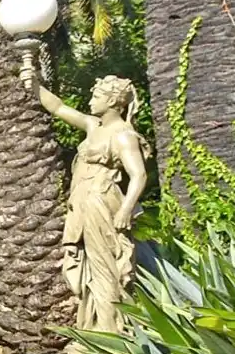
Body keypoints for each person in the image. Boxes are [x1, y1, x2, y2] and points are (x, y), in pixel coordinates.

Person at [29, 70, 150, 333]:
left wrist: (126, 210)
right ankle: (93, 327)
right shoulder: (94, 126)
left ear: (112, 101)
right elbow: (58, 107)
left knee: (104, 268)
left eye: (96, 96)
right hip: (82, 202)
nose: (91, 100)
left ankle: (111, 333)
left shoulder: (122, 134)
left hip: (101, 203)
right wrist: (34, 83)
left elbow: (138, 174)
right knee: (87, 267)